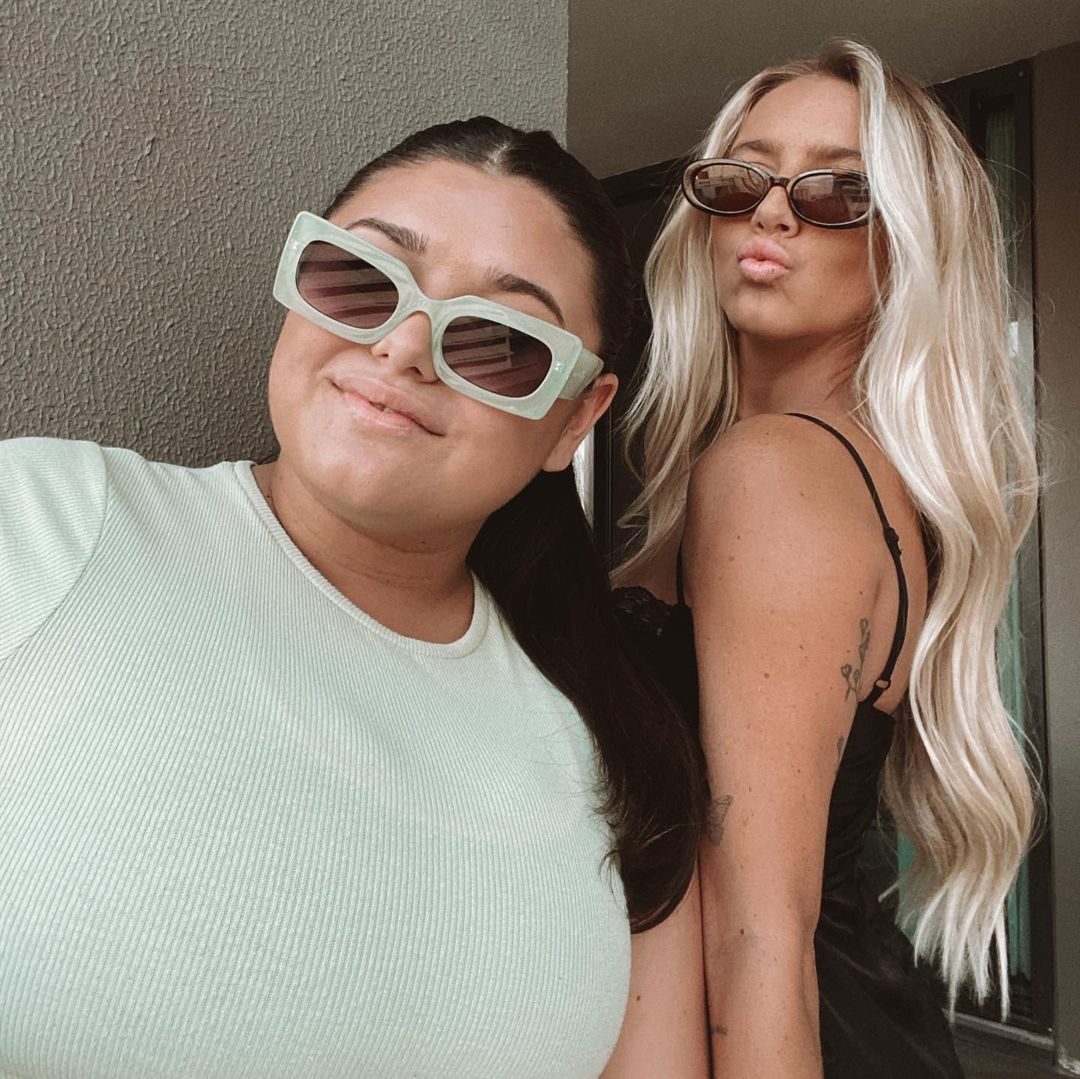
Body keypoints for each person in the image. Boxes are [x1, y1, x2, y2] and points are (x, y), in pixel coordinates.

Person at [0, 117, 710, 1078]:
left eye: (500, 340)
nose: (406, 346)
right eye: (363, 280)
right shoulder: (43, 519)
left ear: (574, 417)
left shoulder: (620, 752)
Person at [614, 39, 1038, 1079]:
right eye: (743, 179)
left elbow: (756, 932)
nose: (773, 212)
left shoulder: (775, 472)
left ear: (909, 246)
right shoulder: (849, 478)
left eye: (839, 192)